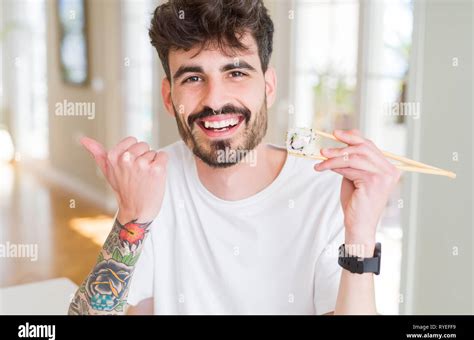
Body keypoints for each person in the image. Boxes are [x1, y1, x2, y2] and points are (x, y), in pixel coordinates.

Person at [69, 0, 400, 315]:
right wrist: (131, 217)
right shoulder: (154, 184)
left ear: (268, 87)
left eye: (236, 73)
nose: (215, 100)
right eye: (193, 78)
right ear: (169, 98)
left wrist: (360, 234)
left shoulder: (328, 191)